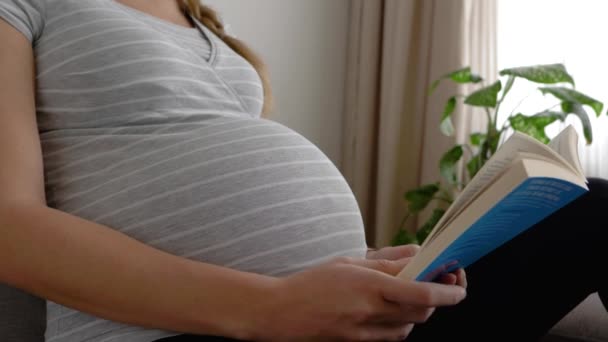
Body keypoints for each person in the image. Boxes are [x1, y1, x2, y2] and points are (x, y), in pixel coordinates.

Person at [0, 1, 604, 341]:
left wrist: (358, 265)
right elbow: (10, 223)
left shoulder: (204, 21)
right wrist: (272, 304)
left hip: (329, 321)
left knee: (591, 210)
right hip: (198, 327)